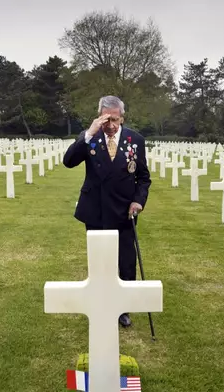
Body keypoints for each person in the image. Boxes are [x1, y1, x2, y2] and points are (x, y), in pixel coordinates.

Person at [63, 95, 151, 328]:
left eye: (115, 119)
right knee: (100, 261)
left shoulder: (135, 140)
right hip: (96, 210)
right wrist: (89, 133)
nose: (111, 125)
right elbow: (69, 161)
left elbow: (143, 178)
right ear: (99, 116)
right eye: (106, 119)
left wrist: (138, 201)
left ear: (122, 117)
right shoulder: (91, 138)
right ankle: (99, 304)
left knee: (125, 261)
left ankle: (123, 308)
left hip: (124, 211)